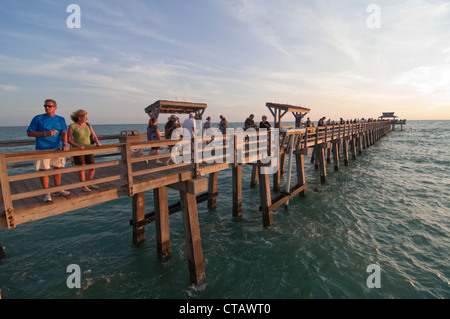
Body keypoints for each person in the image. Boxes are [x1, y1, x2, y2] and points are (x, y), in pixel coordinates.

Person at [27, 99, 71, 202]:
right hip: (42, 148)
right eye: (45, 106)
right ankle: (47, 193)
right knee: (44, 171)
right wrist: (45, 133)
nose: (47, 108)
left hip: (57, 148)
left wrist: (65, 144)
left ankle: (58, 189)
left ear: (55, 107)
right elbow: (29, 133)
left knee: (57, 169)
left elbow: (64, 133)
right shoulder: (38, 118)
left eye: (49, 106)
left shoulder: (61, 119)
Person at [68, 109, 102, 192]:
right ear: (79, 118)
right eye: (85, 117)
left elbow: (94, 136)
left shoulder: (88, 125)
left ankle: (89, 183)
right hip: (78, 149)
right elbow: (68, 140)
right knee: (82, 167)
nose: (87, 119)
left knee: (92, 167)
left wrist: (97, 142)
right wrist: (77, 146)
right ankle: (83, 186)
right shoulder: (72, 126)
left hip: (88, 148)